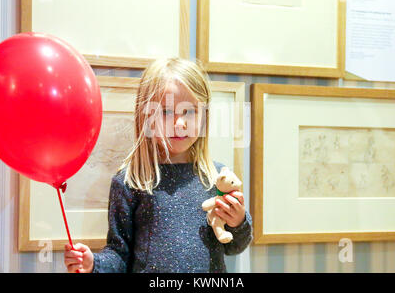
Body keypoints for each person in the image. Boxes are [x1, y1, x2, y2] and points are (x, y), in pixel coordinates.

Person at [63, 58, 253, 273]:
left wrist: (238, 222)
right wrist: (93, 264)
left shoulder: (216, 177)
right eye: (165, 112)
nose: (179, 123)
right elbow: (119, 254)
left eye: (189, 111)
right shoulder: (129, 181)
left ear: (203, 116)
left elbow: (234, 247)